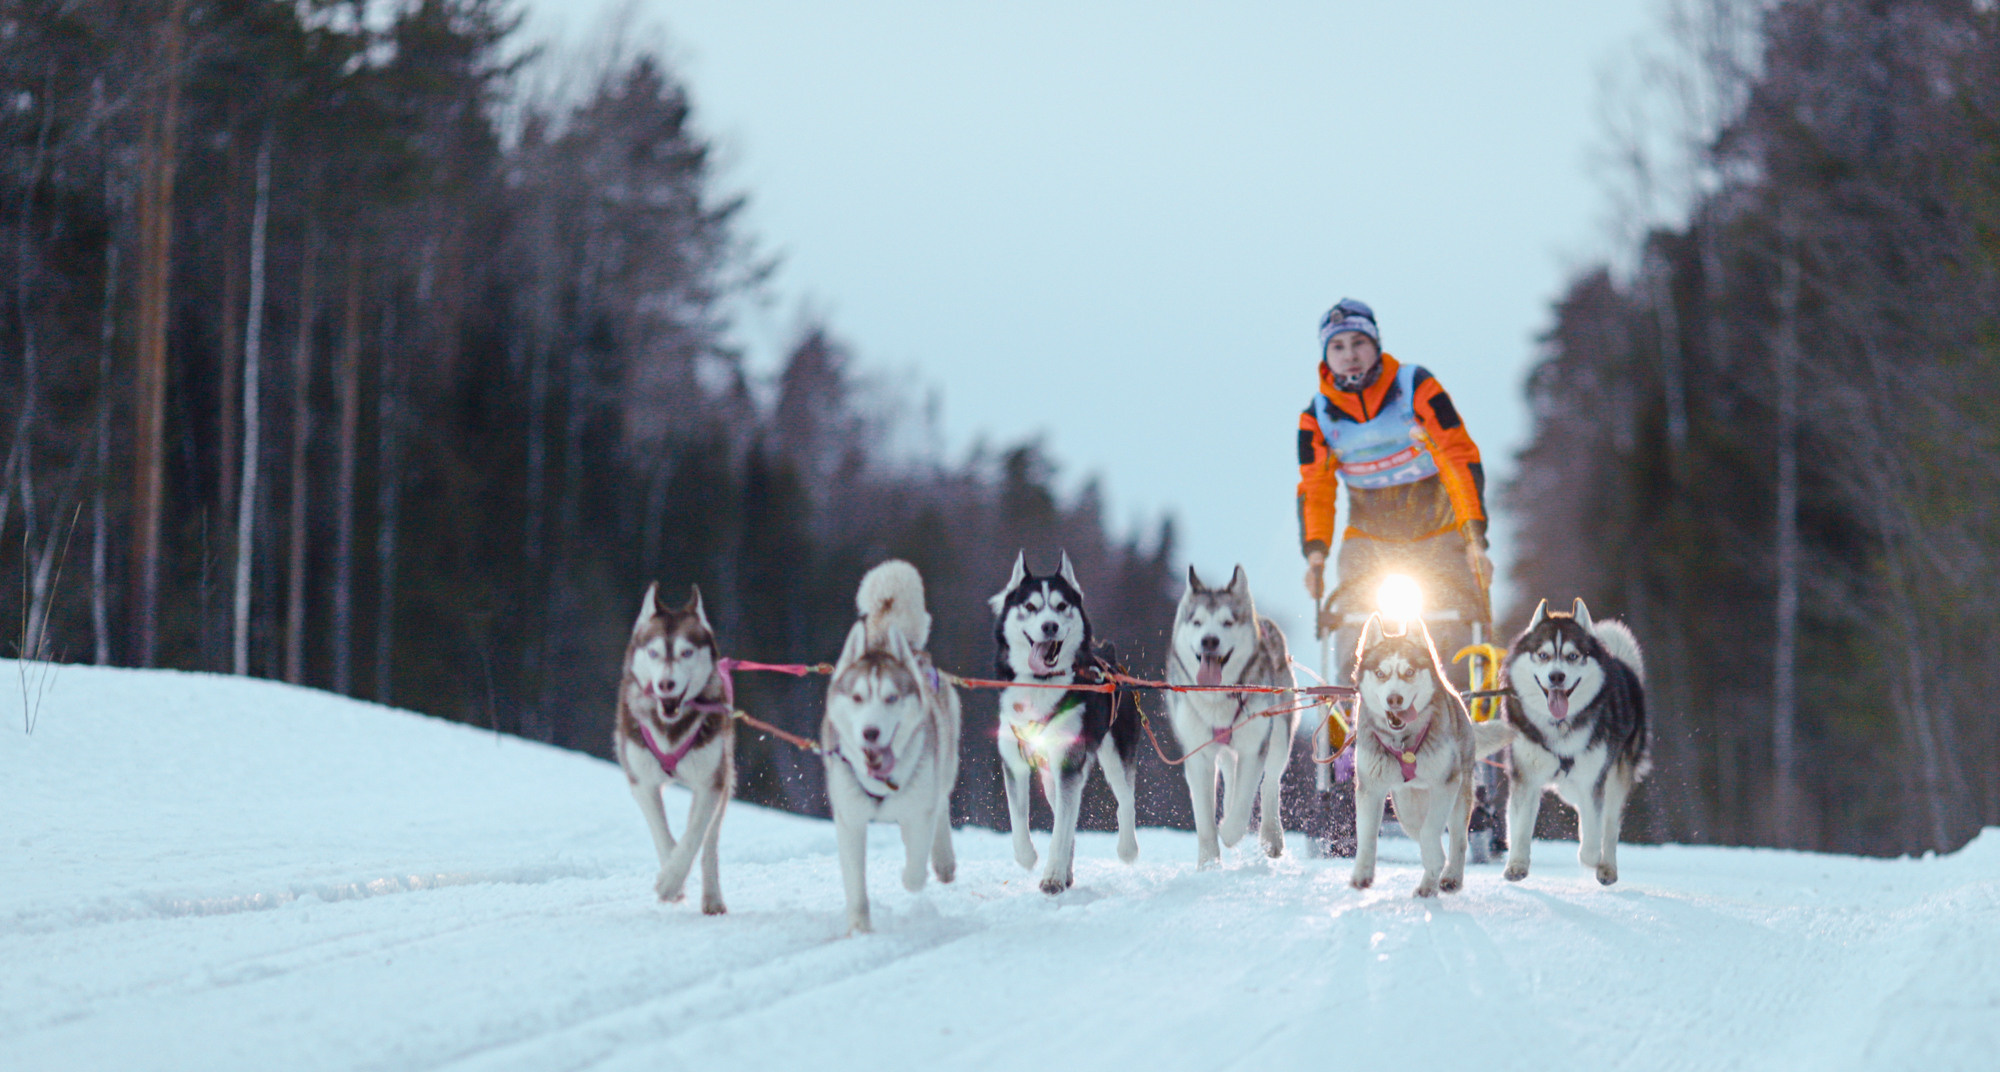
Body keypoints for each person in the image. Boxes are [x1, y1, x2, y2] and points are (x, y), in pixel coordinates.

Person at [1294, 297, 1497, 856]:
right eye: (1338, 347)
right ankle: (1341, 778)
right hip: (1369, 542)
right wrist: (1315, 554)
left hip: (1435, 533)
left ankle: (1470, 778)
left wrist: (1475, 537)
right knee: (1349, 644)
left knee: (1453, 645)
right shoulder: (1318, 415)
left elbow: (1458, 456)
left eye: (1359, 343)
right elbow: (1315, 486)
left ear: (1376, 343)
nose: (1351, 355)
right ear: (1327, 357)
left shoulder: (1416, 387)